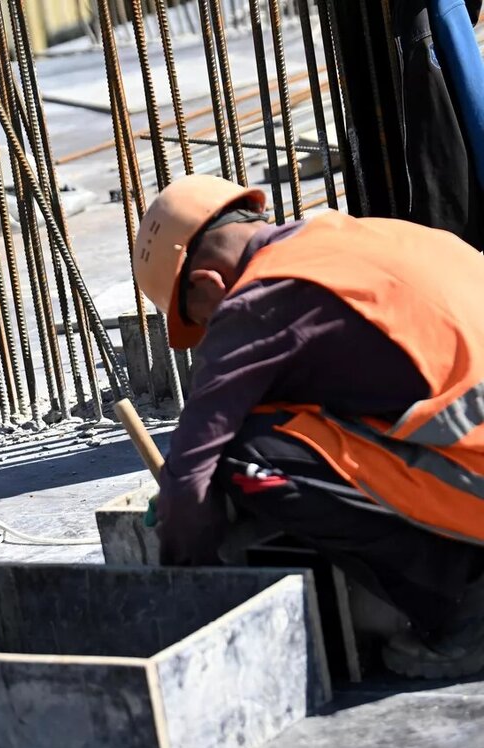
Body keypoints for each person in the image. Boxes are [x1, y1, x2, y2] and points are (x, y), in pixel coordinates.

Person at [135, 173, 484, 679]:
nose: (214, 331)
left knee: (248, 456)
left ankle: (467, 611)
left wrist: (185, 582)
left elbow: (191, 476)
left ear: (209, 283)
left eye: (204, 320)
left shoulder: (259, 299)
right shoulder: (366, 238)